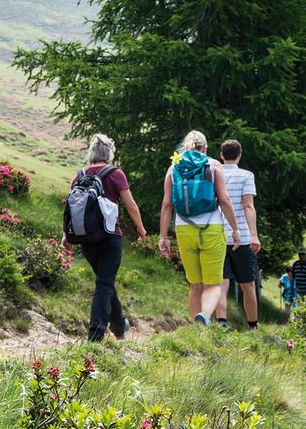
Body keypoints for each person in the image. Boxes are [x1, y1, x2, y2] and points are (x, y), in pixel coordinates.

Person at [158, 131, 243, 325]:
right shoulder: (213, 165)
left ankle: (196, 331)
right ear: (205, 148)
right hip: (211, 228)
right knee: (214, 284)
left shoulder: (174, 167)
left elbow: (166, 204)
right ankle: (205, 314)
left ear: (186, 147)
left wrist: (163, 237)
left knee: (195, 284)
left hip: (184, 229)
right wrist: (235, 230)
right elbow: (224, 200)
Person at [69, 135, 149, 342]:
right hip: (110, 238)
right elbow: (131, 205)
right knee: (104, 284)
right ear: (110, 154)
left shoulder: (80, 175)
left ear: (91, 153)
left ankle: (119, 325)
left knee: (105, 281)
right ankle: (95, 336)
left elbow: (72, 208)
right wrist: (141, 229)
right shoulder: (116, 174)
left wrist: (65, 237)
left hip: (86, 239)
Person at [210, 140, 261, 329]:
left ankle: (222, 323)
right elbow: (248, 206)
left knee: (221, 283)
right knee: (248, 285)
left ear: (221, 155)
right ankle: (253, 325)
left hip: (218, 235)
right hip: (243, 237)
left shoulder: (214, 174)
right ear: (239, 156)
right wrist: (254, 235)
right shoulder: (246, 175)